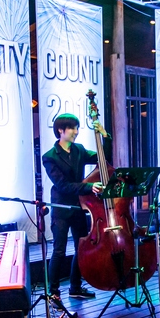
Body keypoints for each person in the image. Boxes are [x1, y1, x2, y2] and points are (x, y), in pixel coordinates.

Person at [42, 113, 103, 302]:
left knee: (80, 248)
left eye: (77, 128)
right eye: (72, 128)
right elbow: (62, 185)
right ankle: (53, 292)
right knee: (59, 250)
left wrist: (104, 135)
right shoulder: (49, 157)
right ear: (61, 130)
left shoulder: (79, 150)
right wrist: (88, 187)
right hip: (61, 207)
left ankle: (75, 287)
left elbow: (102, 157)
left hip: (79, 206)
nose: (76, 132)